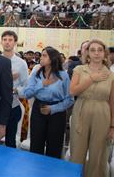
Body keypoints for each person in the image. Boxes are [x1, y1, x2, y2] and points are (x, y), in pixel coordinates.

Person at [69, 40, 114, 177]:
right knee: (77, 151)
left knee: (99, 154)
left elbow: (112, 101)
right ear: (87, 53)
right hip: (81, 110)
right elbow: (73, 91)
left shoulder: (111, 75)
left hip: (103, 113)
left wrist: (112, 126)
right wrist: (92, 78)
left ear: (104, 53)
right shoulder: (79, 70)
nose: (96, 53)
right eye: (92, 50)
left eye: (99, 50)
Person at [21, 46, 74, 158]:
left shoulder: (63, 75)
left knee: (54, 147)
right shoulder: (36, 73)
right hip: (38, 109)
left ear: (53, 58)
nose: (41, 57)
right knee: (36, 145)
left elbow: (70, 99)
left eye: (44, 55)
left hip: (57, 112)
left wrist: (52, 109)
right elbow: (27, 93)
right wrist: (42, 84)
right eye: (41, 54)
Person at [1, 30, 29, 148]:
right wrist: (8, 77)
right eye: (5, 40)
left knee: (10, 141)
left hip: (12, 106)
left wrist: (15, 90)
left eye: (10, 40)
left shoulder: (21, 63)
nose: (7, 43)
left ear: (15, 43)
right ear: (1, 42)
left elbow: (26, 87)